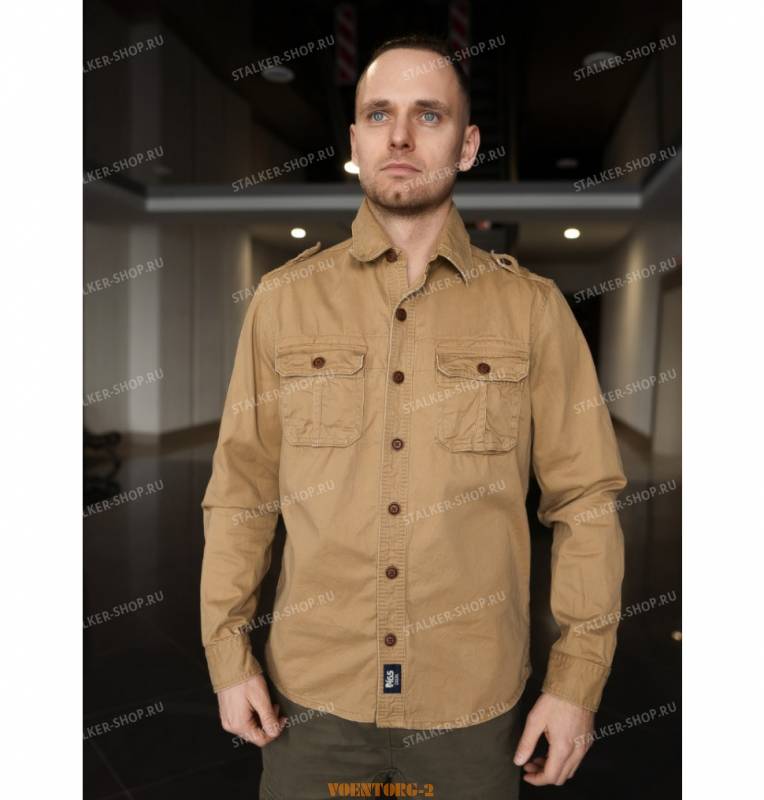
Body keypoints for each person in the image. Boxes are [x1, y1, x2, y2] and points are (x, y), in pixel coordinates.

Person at [199, 33, 627, 800]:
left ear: (467, 145)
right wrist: (228, 656)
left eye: (428, 115)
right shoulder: (282, 302)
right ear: (355, 140)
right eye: (379, 114)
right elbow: (241, 491)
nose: (399, 136)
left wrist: (576, 681)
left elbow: (585, 500)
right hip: (315, 698)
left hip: (471, 705)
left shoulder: (532, 310)